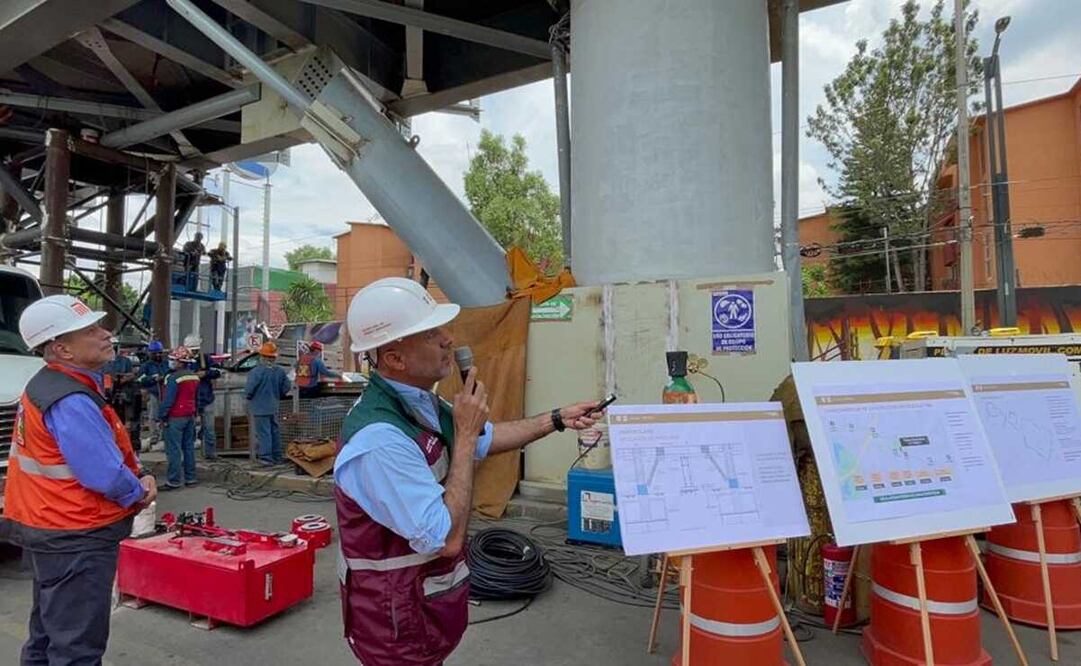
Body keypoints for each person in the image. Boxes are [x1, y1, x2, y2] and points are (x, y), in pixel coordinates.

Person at [334, 278, 603, 666]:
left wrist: (558, 419)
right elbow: (445, 539)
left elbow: (485, 438)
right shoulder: (379, 441)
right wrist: (463, 433)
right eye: (430, 334)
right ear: (394, 358)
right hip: (394, 621)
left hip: (423, 604)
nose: (448, 339)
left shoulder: (419, 403)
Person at [3, 295, 157, 665]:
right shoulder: (71, 398)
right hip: (76, 535)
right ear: (62, 349)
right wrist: (140, 492)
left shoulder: (46, 384)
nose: (106, 334)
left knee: (46, 634)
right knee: (75, 648)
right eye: (91, 330)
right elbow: (103, 474)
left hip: (47, 528)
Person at [158, 346, 199, 490]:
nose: (171, 362)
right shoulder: (193, 376)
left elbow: (168, 400)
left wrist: (161, 416)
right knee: (188, 448)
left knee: (174, 450)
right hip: (190, 415)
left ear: (180, 362)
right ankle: (191, 478)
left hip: (175, 417)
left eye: (173, 360)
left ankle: (174, 481)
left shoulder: (173, 378)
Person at [245, 342, 291, 466]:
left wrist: (248, 397)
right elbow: (287, 387)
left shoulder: (256, 371)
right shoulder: (279, 371)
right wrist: (278, 395)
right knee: (274, 432)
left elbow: (249, 389)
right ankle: (277, 457)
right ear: (274, 357)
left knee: (264, 433)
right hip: (274, 406)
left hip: (260, 407)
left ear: (262, 356)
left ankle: (266, 459)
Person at [184, 334, 221, 459]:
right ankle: (190, 456)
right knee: (190, 430)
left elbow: (218, 371)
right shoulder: (183, 362)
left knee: (209, 429)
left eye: (196, 350)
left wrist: (206, 373)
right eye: (193, 350)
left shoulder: (205, 359)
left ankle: (210, 454)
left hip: (206, 399)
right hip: (190, 401)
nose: (195, 352)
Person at [103, 342, 142, 448]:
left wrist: (123, 379)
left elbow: (131, 375)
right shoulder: (102, 362)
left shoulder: (125, 361)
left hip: (126, 395)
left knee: (129, 423)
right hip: (107, 397)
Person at [137, 340, 169, 450]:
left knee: (165, 416)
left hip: (166, 394)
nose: (158, 355)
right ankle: (154, 436)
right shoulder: (146, 366)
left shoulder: (166, 364)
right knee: (153, 416)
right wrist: (153, 378)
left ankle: (164, 437)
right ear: (150, 353)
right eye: (155, 353)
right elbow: (140, 379)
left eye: (160, 352)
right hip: (153, 394)